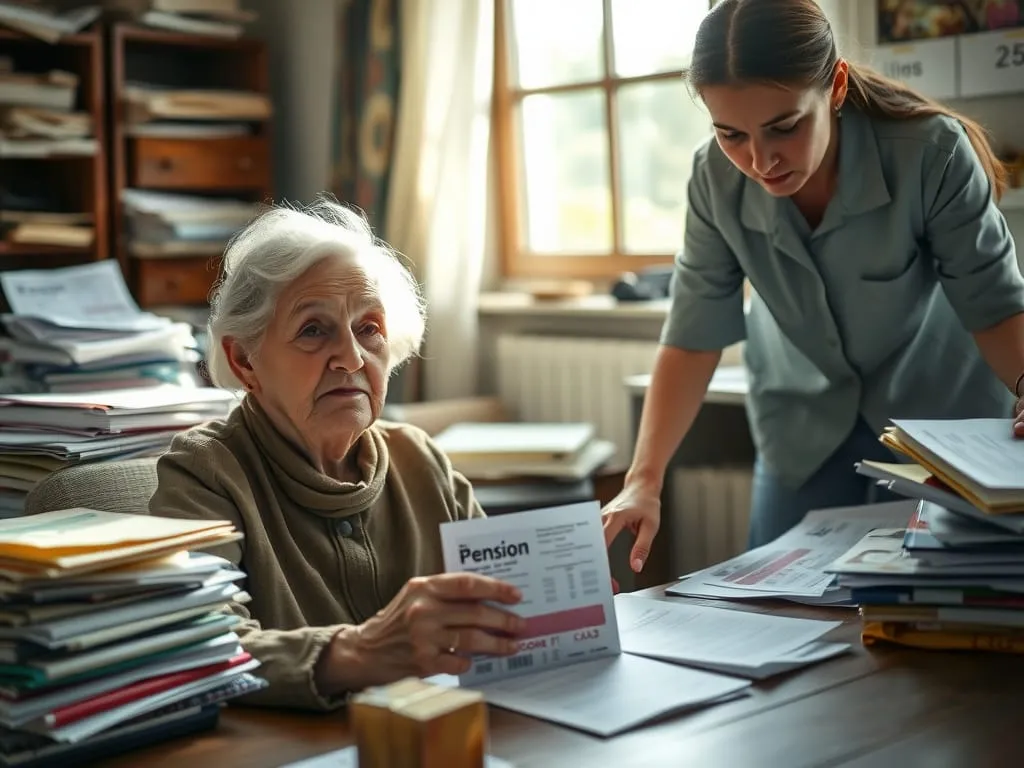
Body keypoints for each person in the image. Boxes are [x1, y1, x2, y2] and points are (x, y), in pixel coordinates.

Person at [602, 0, 1024, 570]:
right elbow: (693, 335)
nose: (760, 160)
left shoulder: (932, 153)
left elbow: (996, 305)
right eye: (731, 134)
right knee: (779, 611)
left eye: (785, 127)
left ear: (837, 86)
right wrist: (642, 479)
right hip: (801, 424)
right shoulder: (713, 177)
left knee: (932, 609)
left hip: (941, 416)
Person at [148, 197, 525, 711]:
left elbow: (493, 599)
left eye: (368, 328)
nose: (351, 356)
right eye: (313, 330)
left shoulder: (419, 459)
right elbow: (197, 645)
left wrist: (548, 600)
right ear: (244, 361)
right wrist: (359, 652)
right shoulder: (205, 474)